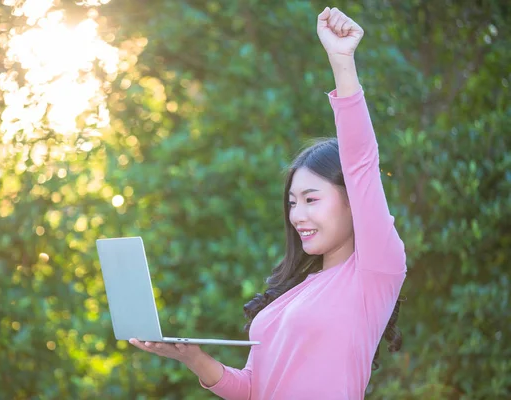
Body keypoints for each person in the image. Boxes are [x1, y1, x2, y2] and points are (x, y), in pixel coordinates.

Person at [129, 6, 407, 399]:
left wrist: (341, 61)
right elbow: (255, 388)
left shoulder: (375, 272)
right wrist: (194, 359)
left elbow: (361, 162)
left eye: (312, 199)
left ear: (352, 203)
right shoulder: (294, 292)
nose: (298, 215)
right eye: (292, 202)